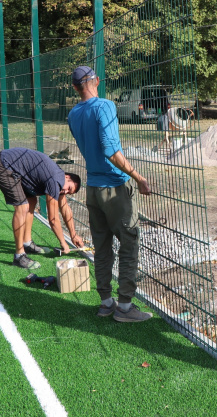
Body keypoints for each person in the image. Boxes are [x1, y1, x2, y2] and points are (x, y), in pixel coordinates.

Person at [67, 65, 154, 323]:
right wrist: (139, 178)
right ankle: (125, 308)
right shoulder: (104, 106)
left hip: (93, 190)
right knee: (129, 245)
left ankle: (106, 303)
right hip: (115, 188)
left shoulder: (73, 114)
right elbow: (111, 151)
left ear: (75, 87)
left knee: (102, 248)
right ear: (96, 80)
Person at [0, 147, 84, 270]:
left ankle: (27, 243)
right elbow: (53, 219)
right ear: (67, 177)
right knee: (22, 207)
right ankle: (19, 255)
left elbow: (65, 208)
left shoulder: (59, 180)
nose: (65, 192)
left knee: (31, 201)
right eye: (68, 188)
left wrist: (73, 235)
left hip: (13, 166)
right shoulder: (56, 180)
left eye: (68, 193)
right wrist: (63, 242)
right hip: (2, 164)